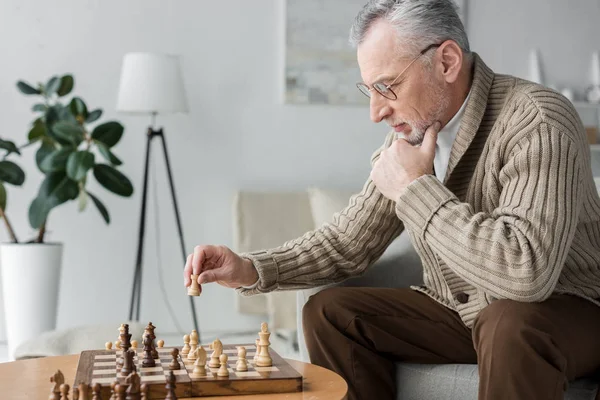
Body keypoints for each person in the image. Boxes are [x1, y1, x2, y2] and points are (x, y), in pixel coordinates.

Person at [183, 1, 600, 399]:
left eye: (388, 86)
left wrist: (415, 189)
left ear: (447, 62)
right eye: (370, 89)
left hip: (567, 309)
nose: (376, 111)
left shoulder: (537, 118)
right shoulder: (414, 133)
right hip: (469, 314)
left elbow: (526, 274)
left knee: (511, 322)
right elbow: (347, 243)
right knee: (330, 313)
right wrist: (251, 268)